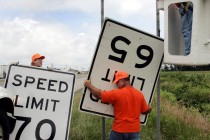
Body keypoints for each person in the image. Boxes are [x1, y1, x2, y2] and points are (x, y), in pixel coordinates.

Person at [84, 71, 152, 140]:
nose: (116, 85)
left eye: (117, 82)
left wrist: (89, 85)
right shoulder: (139, 94)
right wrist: (150, 108)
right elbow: (145, 110)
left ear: (122, 81)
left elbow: (99, 95)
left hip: (119, 130)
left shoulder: (117, 93)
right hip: (134, 131)